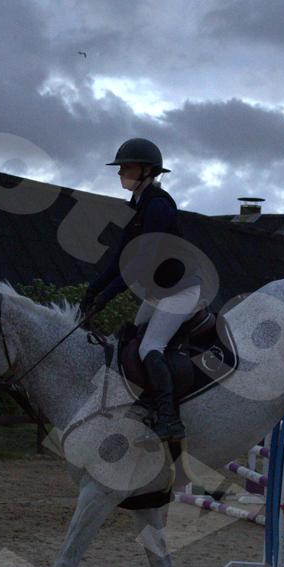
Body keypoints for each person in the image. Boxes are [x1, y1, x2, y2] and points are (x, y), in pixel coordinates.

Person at [78, 137, 203, 441]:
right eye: (120, 168)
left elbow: (140, 261)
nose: (120, 172)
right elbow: (120, 259)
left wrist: (107, 297)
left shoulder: (158, 206)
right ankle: (147, 399)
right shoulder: (140, 210)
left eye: (127, 167)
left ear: (147, 170)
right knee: (132, 337)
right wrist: (92, 292)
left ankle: (170, 419)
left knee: (150, 347)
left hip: (181, 291)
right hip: (161, 292)